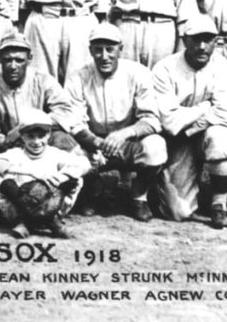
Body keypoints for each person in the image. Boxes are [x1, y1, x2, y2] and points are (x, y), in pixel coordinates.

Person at [63, 23, 166, 221]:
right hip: (93, 144)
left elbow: (152, 120)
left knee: (156, 147)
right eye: (98, 50)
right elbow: (74, 122)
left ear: (121, 49)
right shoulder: (78, 77)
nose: (104, 56)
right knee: (69, 151)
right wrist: (96, 143)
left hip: (128, 141)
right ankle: (92, 191)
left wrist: (123, 135)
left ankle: (139, 196)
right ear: (90, 50)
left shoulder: (139, 73)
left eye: (110, 49)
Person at [152, 14, 227, 229]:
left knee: (221, 136)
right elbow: (170, 122)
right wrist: (206, 106)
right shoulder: (165, 68)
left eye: (208, 40)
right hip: (176, 142)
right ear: (184, 40)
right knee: (178, 213)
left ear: (216, 41)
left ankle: (219, 206)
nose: (202, 46)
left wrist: (193, 127)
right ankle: (159, 185)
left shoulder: (224, 67)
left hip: (199, 135)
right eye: (195, 40)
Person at [0, 32, 80, 187]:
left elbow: (66, 112)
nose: (13, 66)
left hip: (42, 141)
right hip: (7, 146)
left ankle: (69, 195)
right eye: (8, 60)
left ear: (29, 59)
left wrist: (26, 127)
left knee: (65, 142)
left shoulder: (43, 80)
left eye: (19, 60)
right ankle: (3, 200)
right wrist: (10, 141)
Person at [0, 110, 90, 239]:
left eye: (41, 136)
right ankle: (19, 222)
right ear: (22, 136)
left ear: (49, 135)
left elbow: (84, 163)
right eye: (31, 136)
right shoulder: (16, 154)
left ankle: (53, 219)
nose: (36, 141)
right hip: (20, 208)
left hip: (50, 205)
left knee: (77, 179)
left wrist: (60, 177)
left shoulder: (55, 153)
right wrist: (32, 173)